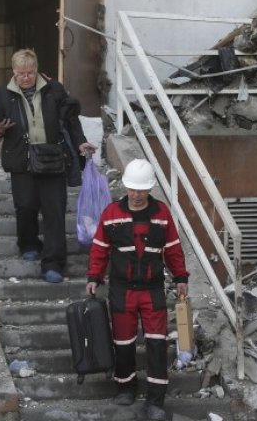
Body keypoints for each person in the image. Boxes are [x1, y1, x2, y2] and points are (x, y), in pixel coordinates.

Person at [86, 159, 189, 421]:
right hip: (121, 290)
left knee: (157, 343)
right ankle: (125, 387)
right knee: (123, 342)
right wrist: (94, 276)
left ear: (149, 189)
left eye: (141, 190)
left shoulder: (162, 214)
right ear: (126, 187)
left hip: (153, 289)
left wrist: (180, 277)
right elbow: (99, 248)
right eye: (132, 189)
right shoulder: (111, 214)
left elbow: (174, 249)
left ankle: (156, 399)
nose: (136, 194)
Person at [0, 49, 96, 283]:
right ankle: (28, 243)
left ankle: (53, 263)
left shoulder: (54, 89)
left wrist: (80, 142)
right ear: (13, 73)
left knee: (55, 210)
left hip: (52, 157)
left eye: (30, 72)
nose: (26, 77)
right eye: (21, 73)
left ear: (36, 70)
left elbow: (70, 119)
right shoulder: (4, 95)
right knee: (25, 205)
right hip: (21, 159)